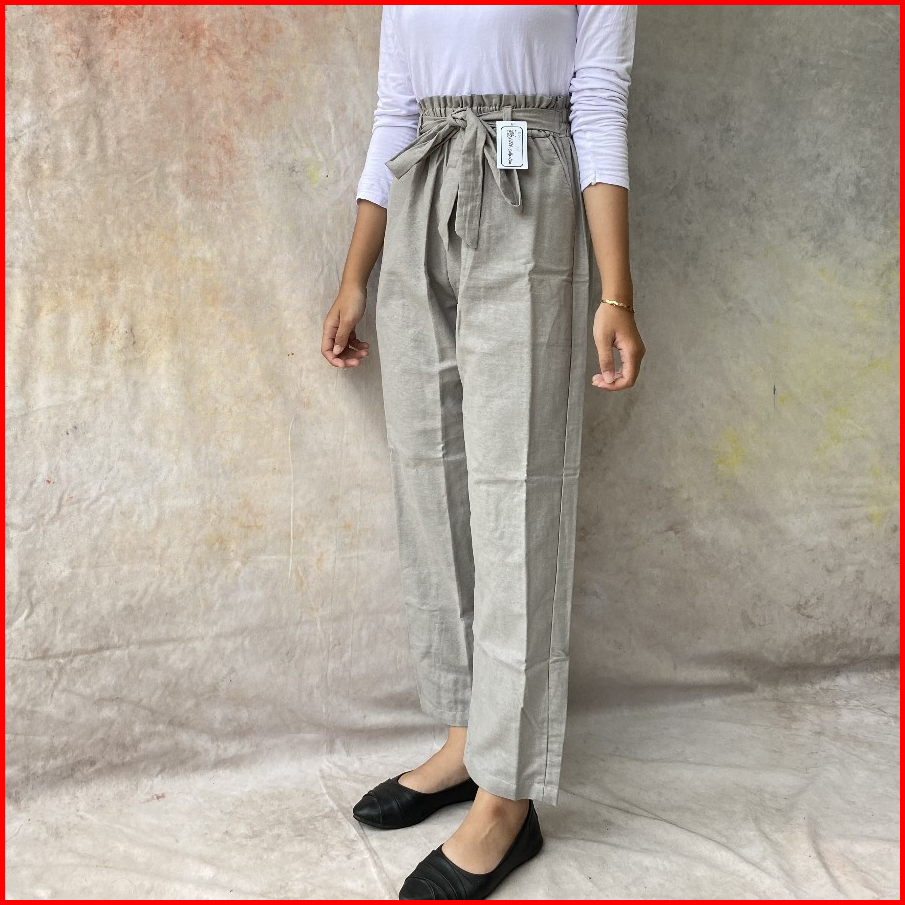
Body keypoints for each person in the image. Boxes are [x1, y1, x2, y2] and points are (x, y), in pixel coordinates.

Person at [321, 6, 644, 900]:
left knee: (517, 490)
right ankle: (468, 735)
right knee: (430, 475)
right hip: (421, 187)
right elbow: (395, 110)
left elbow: (598, 105)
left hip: (526, 188)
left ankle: (507, 795)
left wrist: (616, 292)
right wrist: (354, 274)